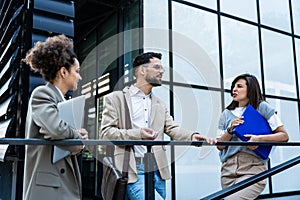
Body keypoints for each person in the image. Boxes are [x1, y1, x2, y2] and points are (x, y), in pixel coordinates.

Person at [100, 52, 216, 200]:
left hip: (157, 168)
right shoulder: (115, 99)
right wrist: (138, 134)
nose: (161, 71)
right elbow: (106, 132)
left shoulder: (160, 103)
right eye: (157, 67)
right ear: (142, 70)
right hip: (133, 168)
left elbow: (172, 129)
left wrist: (192, 136)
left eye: (162, 68)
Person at [22, 34, 88, 200]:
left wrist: (76, 141)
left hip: (57, 183)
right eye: (77, 71)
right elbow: (56, 129)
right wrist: (78, 137)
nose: (79, 77)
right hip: (48, 187)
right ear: (64, 72)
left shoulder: (62, 100)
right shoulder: (42, 93)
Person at [216, 73, 289, 199]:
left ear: (250, 89)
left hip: (253, 169)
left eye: (239, 86)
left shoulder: (262, 108)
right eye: (233, 86)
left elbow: (284, 136)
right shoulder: (226, 114)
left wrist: (258, 139)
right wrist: (230, 129)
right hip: (228, 172)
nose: (234, 89)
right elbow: (220, 145)